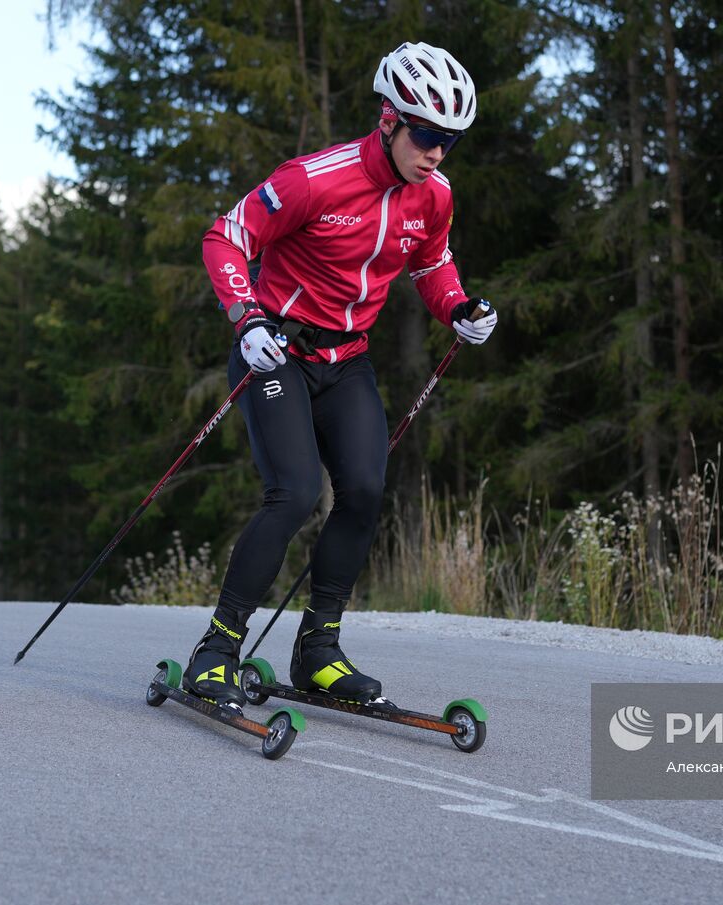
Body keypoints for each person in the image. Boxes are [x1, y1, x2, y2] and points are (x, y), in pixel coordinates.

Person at [183, 41, 498, 709]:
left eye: (450, 140)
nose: (437, 152)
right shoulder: (313, 179)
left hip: (347, 359)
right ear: (389, 119)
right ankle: (216, 649)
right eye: (428, 134)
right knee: (294, 493)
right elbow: (225, 237)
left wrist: (460, 309)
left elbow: (431, 266)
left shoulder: (433, 195)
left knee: (361, 490)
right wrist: (247, 318)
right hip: (277, 351)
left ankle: (318, 651)